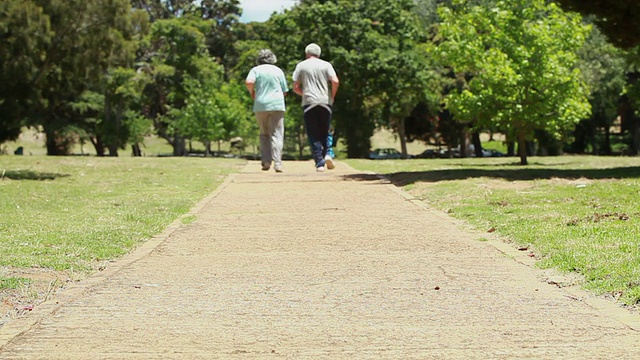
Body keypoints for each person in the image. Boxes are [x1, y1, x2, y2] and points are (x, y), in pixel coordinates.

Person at [293, 43, 339, 172]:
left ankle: (320, 162)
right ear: (319, 54)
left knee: (313, 133)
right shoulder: (326, 65)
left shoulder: (301, 65)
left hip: (309, 102)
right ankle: (328, 153)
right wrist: (332, 96)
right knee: (325, 130)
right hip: (325, 101)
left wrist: (304, 94)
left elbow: (295, 86)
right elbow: (335, 81)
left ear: (307, 53)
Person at [245, 49, 289, 172]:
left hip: (261, 104)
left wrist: (252, 92)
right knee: (277, 134)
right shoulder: (278, 71)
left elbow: (249, 82)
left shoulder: (255, 70)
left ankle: (266, 161)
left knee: (264, 133)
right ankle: (278, 163)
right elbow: (285, 90)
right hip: (277, 104)